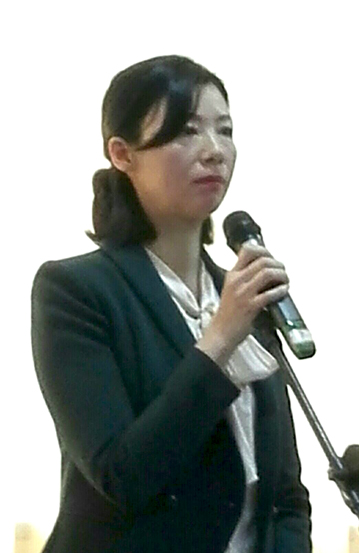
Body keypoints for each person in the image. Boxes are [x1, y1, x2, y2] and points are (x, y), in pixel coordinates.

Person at [31, 55, 312, 553]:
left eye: (225, 131)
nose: (214, 151)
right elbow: (122, 475)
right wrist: (219, 340)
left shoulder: (243, 292)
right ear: (122, 153)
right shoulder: (75, 291)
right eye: (187, 131)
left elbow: (283, 496)